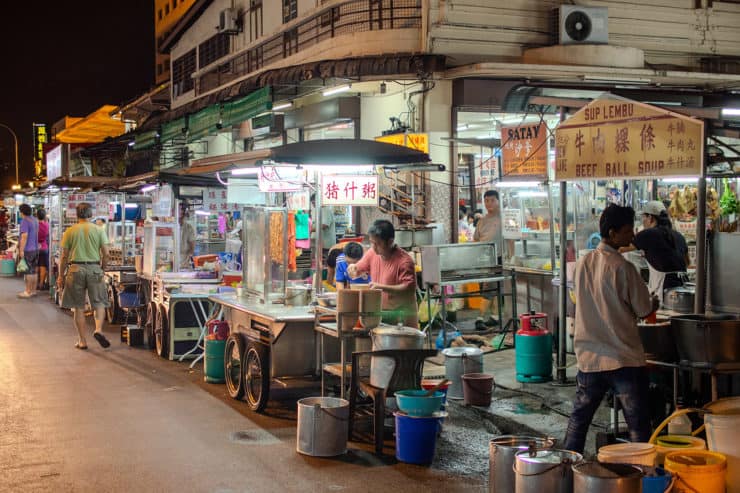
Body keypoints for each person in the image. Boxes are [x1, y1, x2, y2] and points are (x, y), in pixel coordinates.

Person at [563, 204, 658, 454]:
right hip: (623, 358)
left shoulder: (582, 263)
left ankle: (566, 466)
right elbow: (644, 309)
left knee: (579, 421)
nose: (632, 235)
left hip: (590, 358)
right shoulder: (624, 268)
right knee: (638, 426)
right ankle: (642, 471)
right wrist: (654, 303)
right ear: (613, 233)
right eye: (627, 231)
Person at [57, 202, 111, 350]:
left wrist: (60, 275)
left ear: (76, 215)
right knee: (99, 303)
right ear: (91, 214)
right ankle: (98, 330)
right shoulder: (99, 230)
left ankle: (82, 341)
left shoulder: (70, 231)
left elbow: (64, 256)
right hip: (94, 268)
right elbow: (106, 254)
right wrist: (102, 268)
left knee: (78, 307)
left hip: (75, 269)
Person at [348, 220, 418, 327]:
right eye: (372, 242)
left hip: (401, 317)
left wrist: (381, 287)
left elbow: (408, 289)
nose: (373, 247)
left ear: (390, 242)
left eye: (378, 243)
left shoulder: (404, 261)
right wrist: (353, 268)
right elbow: (359, 269)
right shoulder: (372, 253)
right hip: (380, 313)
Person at [620, 201, 689, 303]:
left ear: (650, 218)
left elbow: (621, 248)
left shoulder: (647, 234)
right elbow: (687, 262)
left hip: (665, 291)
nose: (643, 221)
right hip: (684, 290)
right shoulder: (679, 236)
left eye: (643, 217)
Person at [473, 189, 503, 330]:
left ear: (498, 201)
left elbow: (511, 239)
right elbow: (476, 239)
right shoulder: (482, 221)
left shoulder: (504, 218)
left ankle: (486, 317)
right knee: (489, 287)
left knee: (495, 287)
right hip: (485, 259)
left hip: (501, 257)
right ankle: (487, 317)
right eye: (486, 201)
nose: (489, 203)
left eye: (492, 200)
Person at [17, 204, 39, 298]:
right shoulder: (35, 220)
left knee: (28, 271)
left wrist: (21, 250)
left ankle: (27, 291)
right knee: (34, 271)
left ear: (22, 212)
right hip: (35, 249)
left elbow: (24, 236)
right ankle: (33, 291)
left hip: (28, 249)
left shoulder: (25, 221)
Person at [36, 209, 50, 291]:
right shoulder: (47, 225)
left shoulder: (35, 225)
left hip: (35, 247)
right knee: (43, 266)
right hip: (44, 247)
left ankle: (35, 283)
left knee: (36, 266)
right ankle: (41, 284)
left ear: (37, 215)